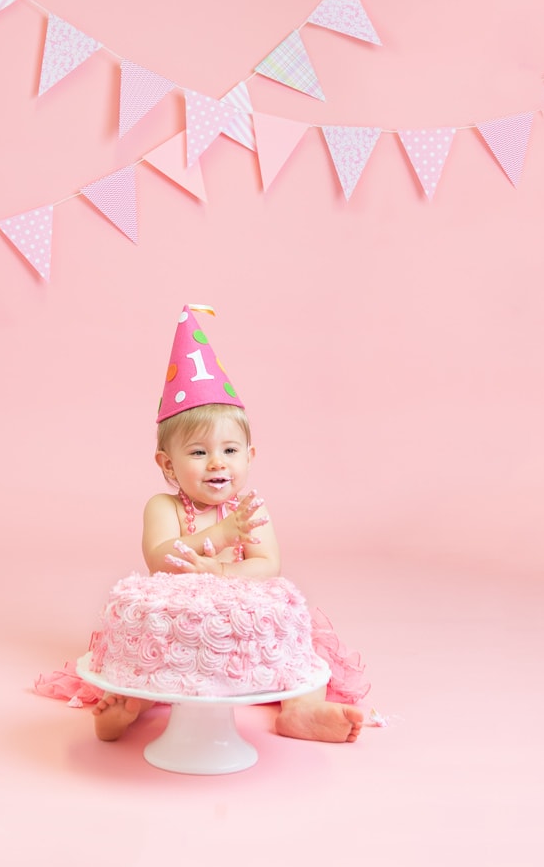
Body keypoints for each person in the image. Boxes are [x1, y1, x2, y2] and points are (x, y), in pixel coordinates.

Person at [90, 305, 369, 743]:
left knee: (301, 661)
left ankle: (300, 712)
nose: (217, 462)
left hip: (242, 633)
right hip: (177, 635)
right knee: (149, 670)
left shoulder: (250, 510)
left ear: (250, 457)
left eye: (230, 451)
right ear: (167, 464)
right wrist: (217, 537)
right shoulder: (163, 505)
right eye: (198, 452)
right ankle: (123, 713)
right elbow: (160, 558)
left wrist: (225, 571)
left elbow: (266, 564)